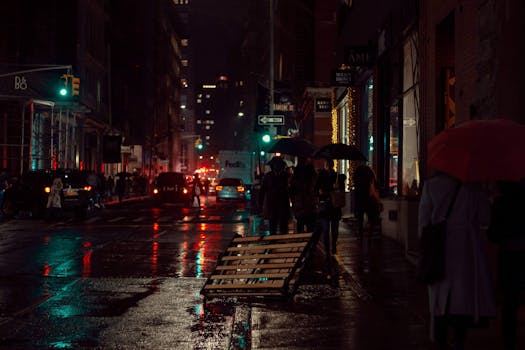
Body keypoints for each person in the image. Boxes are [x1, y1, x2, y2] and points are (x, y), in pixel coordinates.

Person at [418, 171, 496, 350]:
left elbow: (423, 225)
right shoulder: (471, 188)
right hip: (466, 250)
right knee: (462, 300)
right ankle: (459, 341)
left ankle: (441, 339)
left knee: (440, 300)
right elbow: (485, 218)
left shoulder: (431, 186)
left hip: (438, 250)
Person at [487, 180, 525, 350]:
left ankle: (509, 340)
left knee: (509, 301)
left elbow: (493, 234)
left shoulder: (500, 204)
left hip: (508, 255)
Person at [316, 159, 346, 255]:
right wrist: (320, 192)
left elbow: (342, 190)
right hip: (325, 206)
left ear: (332, 166)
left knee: (334, 230)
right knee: (325, 230)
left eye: (329, 165)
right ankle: (327, 249)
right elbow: (316, 189)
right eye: (326, 165)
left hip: (334, 207)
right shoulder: (321, 176)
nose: (328, 167)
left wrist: (338, 187)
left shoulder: (337, 176)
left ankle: (333, 246)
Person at [258, 156, 291, 235]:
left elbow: (291, 189)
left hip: (283, 204)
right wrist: (260, 202)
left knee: (283, 227)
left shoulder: (286, 176)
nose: (277, 166)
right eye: (275, 165)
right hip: (272, 204)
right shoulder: (268, 176)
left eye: (278, 164)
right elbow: (263, 190)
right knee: (273, 226)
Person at [289, 157, 318, 233]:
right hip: (309, 205)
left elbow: (291, 191)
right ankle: (310, 244)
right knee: (310, 228)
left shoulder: (296, 176)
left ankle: (301, 242)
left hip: (300, 205)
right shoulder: (311, 174)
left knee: (300, 227)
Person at [353, 164, 381, 239]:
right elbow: (375, 187)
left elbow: (355, 191)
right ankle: (369, 237)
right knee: (371, 220)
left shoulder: (357, 176)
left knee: (360, 221)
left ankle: (361, 237)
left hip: (360, 201)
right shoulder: (371, 174)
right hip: (369, 200)